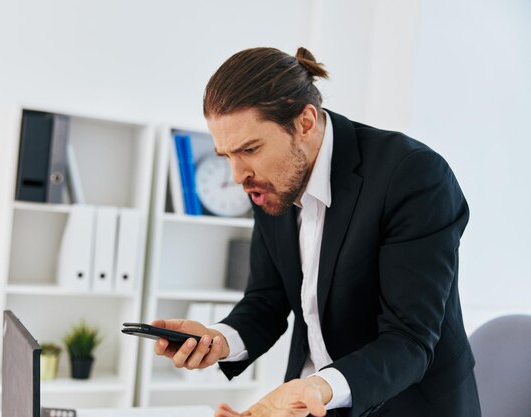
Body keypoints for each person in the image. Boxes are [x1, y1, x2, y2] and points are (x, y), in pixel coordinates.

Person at [152, 47, 481, 417]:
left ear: (305, 123)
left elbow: (409, 340)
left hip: (408, 404)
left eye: (250, 148)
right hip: (311, 401)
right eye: (227, 155)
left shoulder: (412, 176)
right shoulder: (271, 181)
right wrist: (217, 340)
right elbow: (266, 302)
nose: (237, 175)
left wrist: (316, 388)